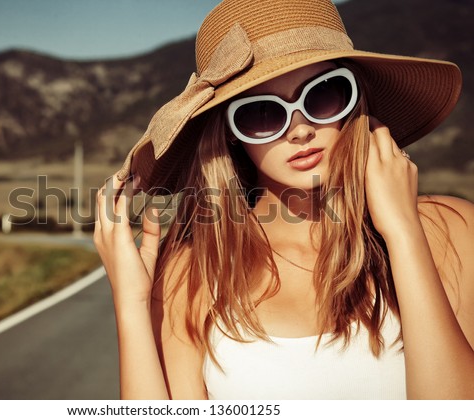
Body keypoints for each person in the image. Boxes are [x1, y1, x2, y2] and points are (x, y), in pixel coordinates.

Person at [94, 0, 474, 399]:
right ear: (229, 133)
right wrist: (132, 306)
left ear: (356, 98)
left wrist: (402, 232)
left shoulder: (450, 229)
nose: (299, 129)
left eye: (324, 94)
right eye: (261, 113)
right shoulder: (197, 266)